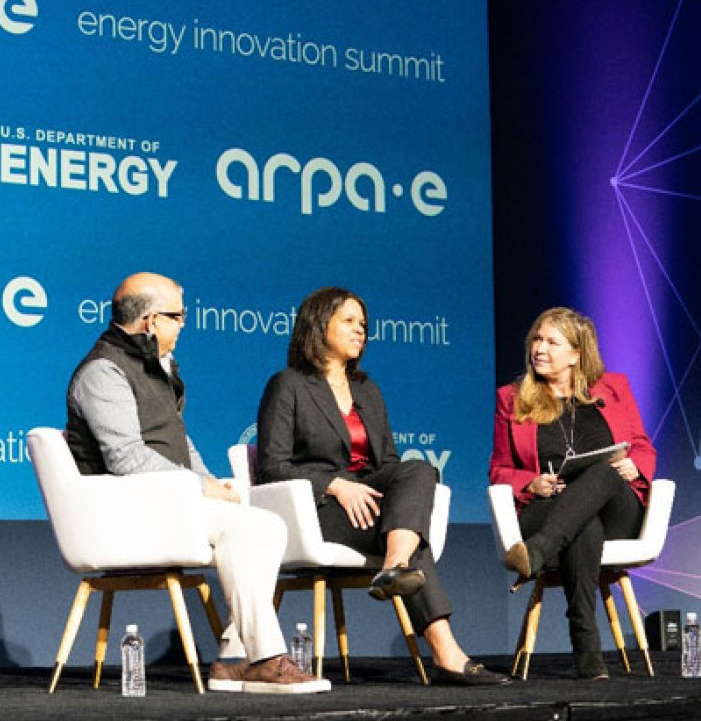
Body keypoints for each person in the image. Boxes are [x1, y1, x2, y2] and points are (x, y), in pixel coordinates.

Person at [66, 272, 330, 694]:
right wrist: (198, 488)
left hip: (167, 501)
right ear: (150, 321)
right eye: (178, 315)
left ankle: (230, 658)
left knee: (263, 522)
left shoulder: (156, 367)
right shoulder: (103, 372)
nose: (185, 323)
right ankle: (263, 657)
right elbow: (126, 458)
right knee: (252, 526)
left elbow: (178, 442)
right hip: (123, 512)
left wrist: (210, 483)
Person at [256, 286, 509, 686]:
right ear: (319, 325)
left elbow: (388, 464)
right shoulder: (288, 385)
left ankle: (395, 566)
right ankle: (445, 650)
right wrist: (335, 485)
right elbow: (271, 467)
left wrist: (378, 494)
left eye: (364, 324)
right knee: (413, 539)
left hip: (369, 504)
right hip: (316, 511)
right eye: (350, 322)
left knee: (419, 470)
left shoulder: (367, 391)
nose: (361, 331)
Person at [489, 307, 656, 680]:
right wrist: (531, 483)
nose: (539, 348)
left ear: (577, 354)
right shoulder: (512, 398)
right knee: (584, 524)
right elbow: (499, 469)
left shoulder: (614, 389)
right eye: (536, 339)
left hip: (615, 506)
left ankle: (538, 551)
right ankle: (587, 649)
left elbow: (643, 446)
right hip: (549, 504)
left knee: (603, 469)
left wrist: (635, 466)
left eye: (551, 342)